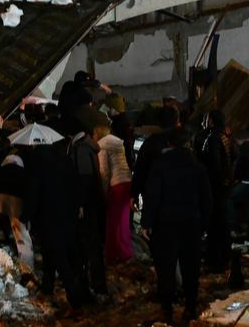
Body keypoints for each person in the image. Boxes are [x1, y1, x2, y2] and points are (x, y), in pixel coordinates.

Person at [142, 128, 212, 323]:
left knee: (166, 268)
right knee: (191, 268)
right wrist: (203, 225)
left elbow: (153, 196)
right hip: (191, 223)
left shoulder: (160, 165)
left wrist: (147, 222)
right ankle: (190, 307)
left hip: (166, 224)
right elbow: (207, 200)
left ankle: (167, 310)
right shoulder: (197, 167)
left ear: (169, 144)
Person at [23, 141, 88, 312]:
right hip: (68, 212)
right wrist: (79, 205)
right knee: (65, 250)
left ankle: (74, 294)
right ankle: (48, 285)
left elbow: (33, 191)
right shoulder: (65, 160)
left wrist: (26, 215)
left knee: (55, 252)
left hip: (48, 215)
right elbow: (76, 182)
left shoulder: (36, 163)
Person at [70, 116, 110, 296]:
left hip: (87, 206)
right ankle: (95, 283)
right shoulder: (88, 148)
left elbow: (84, 179)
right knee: (92, 245)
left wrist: (80, 204)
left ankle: (95, 285)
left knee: (89, 245)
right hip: (94, 204)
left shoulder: (81, 149)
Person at [0, 147, 35, 278]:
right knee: (21, 235)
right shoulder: (23, 173)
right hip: (15, 201)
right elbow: (27, 194)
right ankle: (27, 269)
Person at [197, 110, 234, 273]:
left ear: (211, 121)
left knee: (214, 223)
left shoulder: (212, 138)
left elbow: (214, 164)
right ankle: (225, 256)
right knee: (223, 222)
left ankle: (216, 260)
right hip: (224, 185)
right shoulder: (226, 137)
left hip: (215, 186)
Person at [98, 120, 134, 265]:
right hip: (126, 181)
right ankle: (125, 251)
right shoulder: (118, 142)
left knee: (113, 222)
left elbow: (104, 171)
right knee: (123, 220)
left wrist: (104, 191)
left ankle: (115, 254)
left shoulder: (102, 145)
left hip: (116, 184)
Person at [133, 105, 180, 204]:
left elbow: (140, 169)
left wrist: (134, 193)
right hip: (178, 194)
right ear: (176, 121)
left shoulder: (150, 143)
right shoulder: (183, 140)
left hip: (153, 193)